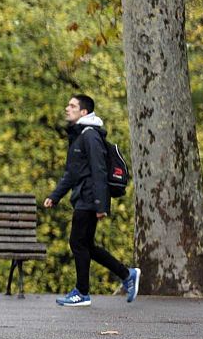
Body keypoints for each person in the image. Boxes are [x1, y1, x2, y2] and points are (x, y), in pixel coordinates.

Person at [44, 94, 140, 307]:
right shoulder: (80, 136)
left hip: (89, 198)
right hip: (84, 197)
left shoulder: (90, 136)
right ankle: (127, 274)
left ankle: (82, 292)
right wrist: (55, 196)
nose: (67, 108)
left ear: (84, 112)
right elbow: (72, 173)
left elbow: (99, 170)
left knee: (77, 242)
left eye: (72, 106)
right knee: (86, 244)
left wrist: (101, 204)